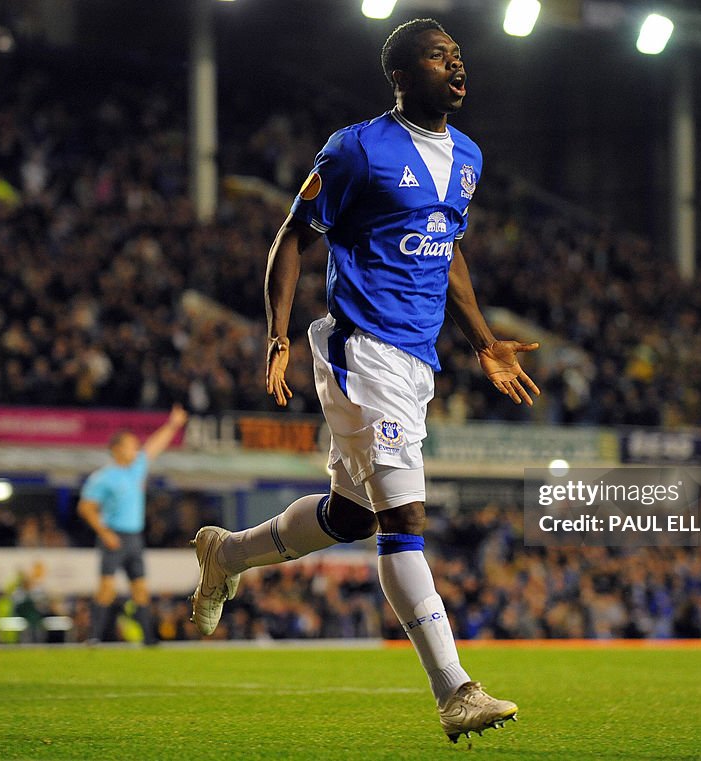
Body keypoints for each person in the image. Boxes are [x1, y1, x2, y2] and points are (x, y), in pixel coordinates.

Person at [189, 18, 539, 742]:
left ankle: (227, 553)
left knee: (349, 515)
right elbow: (293, 232)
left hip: (417, 362)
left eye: (458, 56)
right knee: (403, 522)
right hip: (364, 352)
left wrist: (482, 342)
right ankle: (455, 689)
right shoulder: (357, 149)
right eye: (441, 58)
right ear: (404, 77)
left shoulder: (467, 157)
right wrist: (278, 332)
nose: (457, 64)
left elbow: (447, 249)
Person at [78, 404, 188, 644]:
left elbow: (154, 446)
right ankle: (94, 637)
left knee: (140, 589)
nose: (136, 448)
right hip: (114, 536)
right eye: (130, 445)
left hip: (134, 537)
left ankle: (149, 639)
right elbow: (85, 508)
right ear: (117, 449)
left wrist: (172, 425)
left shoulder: (136, 468)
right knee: (106, 589)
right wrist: (104, 532)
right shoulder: (103, 477)